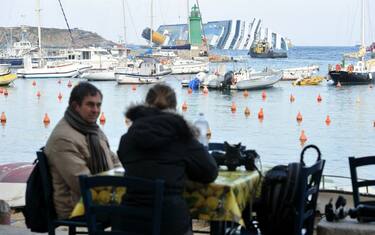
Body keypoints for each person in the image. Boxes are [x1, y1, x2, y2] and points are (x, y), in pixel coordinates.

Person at [117, 83, 218, 235]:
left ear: (145, 105)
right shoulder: (182, 137)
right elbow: (210, 172)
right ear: (175, 108)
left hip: (129, 224)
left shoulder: (127, 139)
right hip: (170, 224)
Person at [44, 82, 118, 219]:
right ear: (75, 106)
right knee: (142, 207)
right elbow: (82, 183)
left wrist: (126, 180)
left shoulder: (92, 129)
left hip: (97, 196)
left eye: (98, 105)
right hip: (77, 207)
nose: (96, 110)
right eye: (90, 104)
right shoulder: (64, 139)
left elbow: (113, 159)